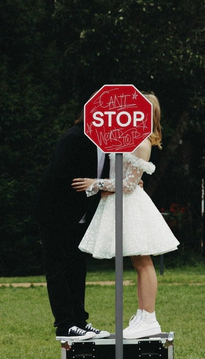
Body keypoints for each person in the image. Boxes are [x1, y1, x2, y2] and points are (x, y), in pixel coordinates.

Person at [73, 93, 178, 339]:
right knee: (138, 262)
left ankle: (149, 317)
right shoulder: (129, 139)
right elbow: (127, 179)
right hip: (123, 203)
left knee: (143, 262)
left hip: (130, 206)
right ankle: (142, 315)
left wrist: (95, 183)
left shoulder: (142, 143)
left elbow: (128, 185)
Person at [33, 110, 111, 341]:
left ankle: (80, 321)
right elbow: (63, 177)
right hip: (55, 213)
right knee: (58, 269)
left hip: (80, 215)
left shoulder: (109, 145)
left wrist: (101, 185)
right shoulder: (75, 137)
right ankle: (65, 324)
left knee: (77, 268)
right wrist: (97, 186)